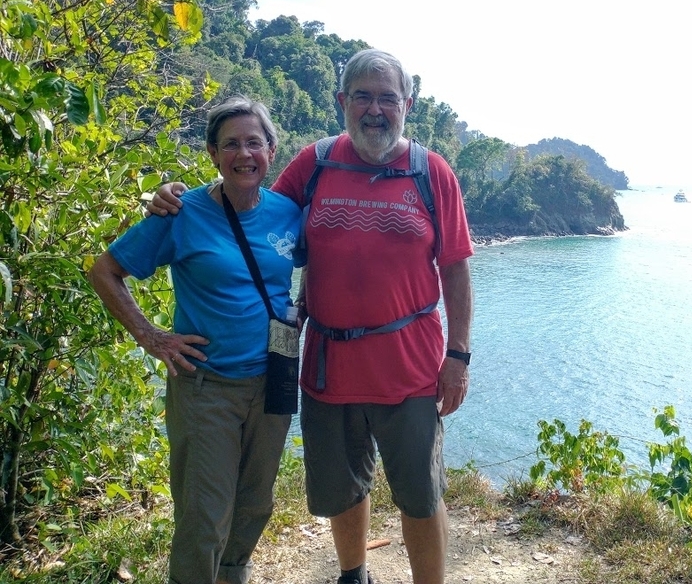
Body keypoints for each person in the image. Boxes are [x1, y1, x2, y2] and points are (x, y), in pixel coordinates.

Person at [149, 49, 475, 584]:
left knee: (420, 492)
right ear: (342, 101)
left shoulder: (430, 171)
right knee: (344, 485)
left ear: (407, 105)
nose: (375, 110)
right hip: (330, 364)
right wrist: (171, 197)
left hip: (411, 366)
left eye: (387, 98)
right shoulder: (315, 163)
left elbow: (456, 269)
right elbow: (251, 217)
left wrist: (457, 356)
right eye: (363, 97)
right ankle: (354, 575)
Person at [89, 96, 301, 584]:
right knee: (205, 518)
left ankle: (233, 575)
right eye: (231, 144)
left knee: (255, 504)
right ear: (212, 153)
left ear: (271, 149)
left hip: (273, 379)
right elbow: (106, 271)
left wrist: (305, 308)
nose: (243, 153)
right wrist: (152, 337)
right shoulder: (182, 213)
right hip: (206, 385)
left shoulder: (287, 213)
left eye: (254, 142)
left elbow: (321, 259)